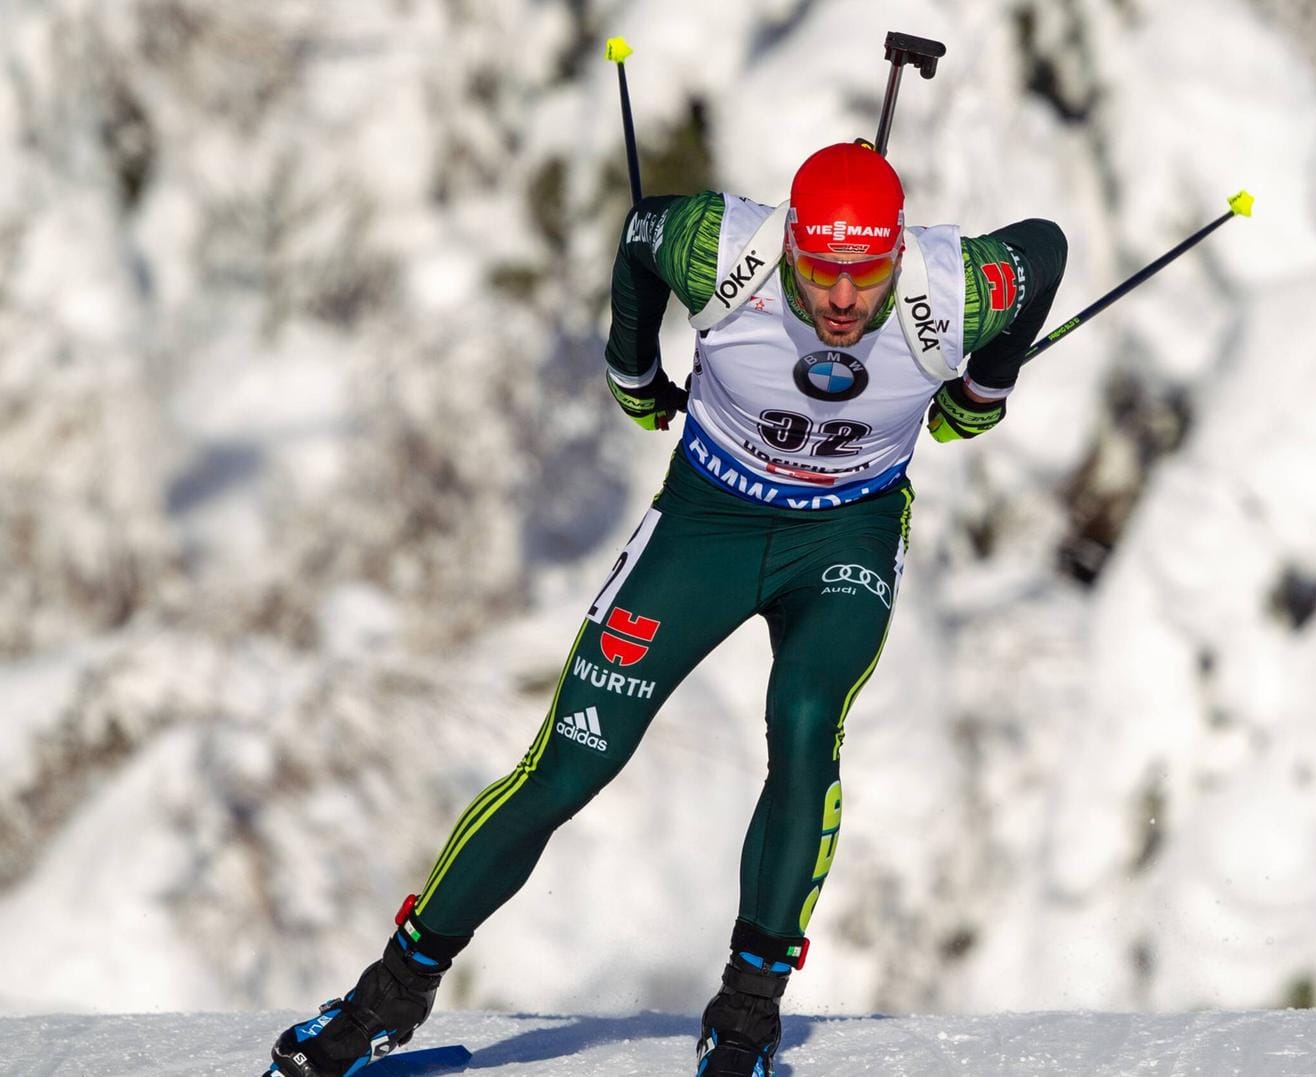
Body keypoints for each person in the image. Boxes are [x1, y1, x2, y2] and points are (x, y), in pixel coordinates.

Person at [268, 141, 1068, 1077]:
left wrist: (984, 386)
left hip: (841, 539)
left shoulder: (958, 290)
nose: (843, 301)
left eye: (865, 275)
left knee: (806, 722)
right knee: (568, 765)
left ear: (897, 252)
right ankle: (386, 996)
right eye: (820, 272)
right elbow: (641, 236)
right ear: (790, 247)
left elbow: (1044, 250)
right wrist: (632, 369)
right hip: (707, 524)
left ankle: (745, 1015)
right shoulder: (722, 249)